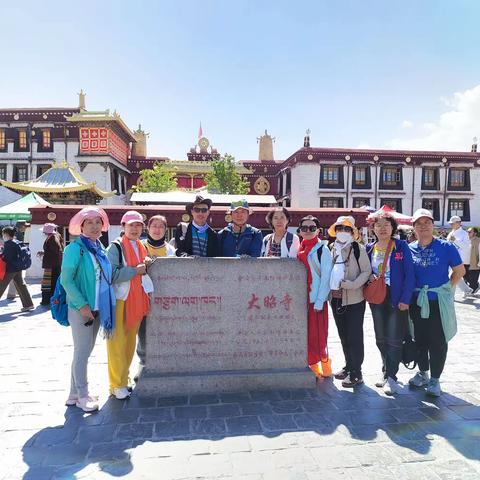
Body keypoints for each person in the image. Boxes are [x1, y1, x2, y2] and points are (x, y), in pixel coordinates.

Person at [61, 207, 115, 412]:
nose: (94, 226)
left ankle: (73, 394)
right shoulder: (75, 249)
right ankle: (83, 396)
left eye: (97, 222)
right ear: (81, 226)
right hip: (81, 309)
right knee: (82, 352)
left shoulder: (99, 247)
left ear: (103, 226)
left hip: (97, 308)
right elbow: (67, 280)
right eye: (89, 222)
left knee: (83, 352)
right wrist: (82, 306)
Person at [408, 209, 465, 397]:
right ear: (414, 227)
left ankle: (435, 379)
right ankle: (422, 372)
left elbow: (459, 271)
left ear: (433, 225)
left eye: (427, 222)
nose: (423, 226)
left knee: (438, 341)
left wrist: (447, 289)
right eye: (419, 223)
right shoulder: (410, 249)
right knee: (419, 339)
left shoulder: (446, 246)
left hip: (438, 302)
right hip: (417, 301)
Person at [366, 212, 415, 395]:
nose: (382, 228)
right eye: (378, 225)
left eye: (386, 225)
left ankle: (392, 377)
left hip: (396, 298)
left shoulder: (401, 246)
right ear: (373, 229)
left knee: (394, 339)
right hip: (377, 298)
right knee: (381, 338)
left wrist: (405, 299)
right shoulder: (369, 248)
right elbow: (365, 271)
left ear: (393, 228)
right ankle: (386, 371)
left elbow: (410, 274)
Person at [107, 211, 151, 400]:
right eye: (131, 225)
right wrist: (135, 271)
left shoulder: (141, 245)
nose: (134, 228)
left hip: (136, 299)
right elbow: (112, 275)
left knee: (130, 344)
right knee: (117, 344)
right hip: (120, 299)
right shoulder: (115, 247)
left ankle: (123, 381)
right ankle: (116, 384)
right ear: (123, 226)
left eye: (138, 225)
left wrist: (146, 262)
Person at [328, 216, 371, 387]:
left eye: (347, 229)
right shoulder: (331, 247)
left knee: (354, 336)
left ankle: (356, 373)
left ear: (352, 232)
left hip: (354, 299)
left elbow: (366, 271)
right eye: (340, 228)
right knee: (343, 335)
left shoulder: (357, 248)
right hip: (336, 298)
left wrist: (353, 284)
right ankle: (349, 366)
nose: (343, 232)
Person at [136, 215, 175, 376]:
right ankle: (143, 367)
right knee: (143, 332)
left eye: (161, 226)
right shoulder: (139, 246)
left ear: (165, 230)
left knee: (166, 330)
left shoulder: (171, 250)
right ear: (148, 228)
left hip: (164, 297)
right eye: (154, 226)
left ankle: (165, 363)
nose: (157, 229)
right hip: (141, 296)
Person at [296, 215, 333, 377]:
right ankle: (312, 367)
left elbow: (326, 277)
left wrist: (319, 301)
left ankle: (324, 367)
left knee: (318, 337)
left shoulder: (322, 250)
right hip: (301, 301)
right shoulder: (299, 247)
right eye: (304, 228)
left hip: (316, 301)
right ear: (300, 231)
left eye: (312, 228)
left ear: (318, 230)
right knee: (305, 337)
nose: (308, 231)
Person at [0, 226, 34, 312]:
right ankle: (28, 304)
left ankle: (28, 304)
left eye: (3, 234)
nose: (2, 236)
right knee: (21, 285)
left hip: (10, 269)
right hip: (18, 267)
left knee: (1, 285)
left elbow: (7, 258)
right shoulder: (17, 242)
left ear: (6, 234)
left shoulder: (9, 243)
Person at [446, 215, 472, 298]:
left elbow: (466, 246)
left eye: (452, 223)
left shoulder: (464, 234)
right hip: (449, 257)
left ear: (458, 223)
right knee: (456, 275)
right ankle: (467, 289)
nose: (451, 225)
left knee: (452, 276)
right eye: (450, 224)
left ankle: (450, 295)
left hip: (459, 258)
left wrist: (456, 241)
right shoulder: (451, 232)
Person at [38, 223, 63, 306]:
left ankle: (48, 300)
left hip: (52, 265)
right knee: (52, 282)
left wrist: (44, 254)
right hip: (54, 264)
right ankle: (51, 299)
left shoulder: (52, 238)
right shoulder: (55, 236)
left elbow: (55, 252)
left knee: (49, 283)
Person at [466, 228, 479, 294]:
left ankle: (473, 288)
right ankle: (475, 285)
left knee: (472, 280)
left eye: (469, 232)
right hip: (466, 262)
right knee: (465, 276)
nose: (467, 233)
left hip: (475, 264)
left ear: (475, 233)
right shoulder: (466, 240)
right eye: (467, 231)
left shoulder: (478, 241)